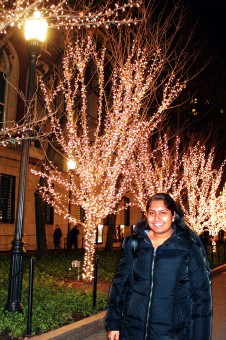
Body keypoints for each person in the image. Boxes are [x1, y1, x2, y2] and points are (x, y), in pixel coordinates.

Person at [105, 193, 212, 340]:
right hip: (133, 330)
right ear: (146, 215)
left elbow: (201, 296)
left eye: (163, 213)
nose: (156, 219)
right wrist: (114, 323)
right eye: (152, 213)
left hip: (172, 333)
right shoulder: (134, 243)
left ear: (173, 215)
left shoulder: (187, 247)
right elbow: (120, 285)